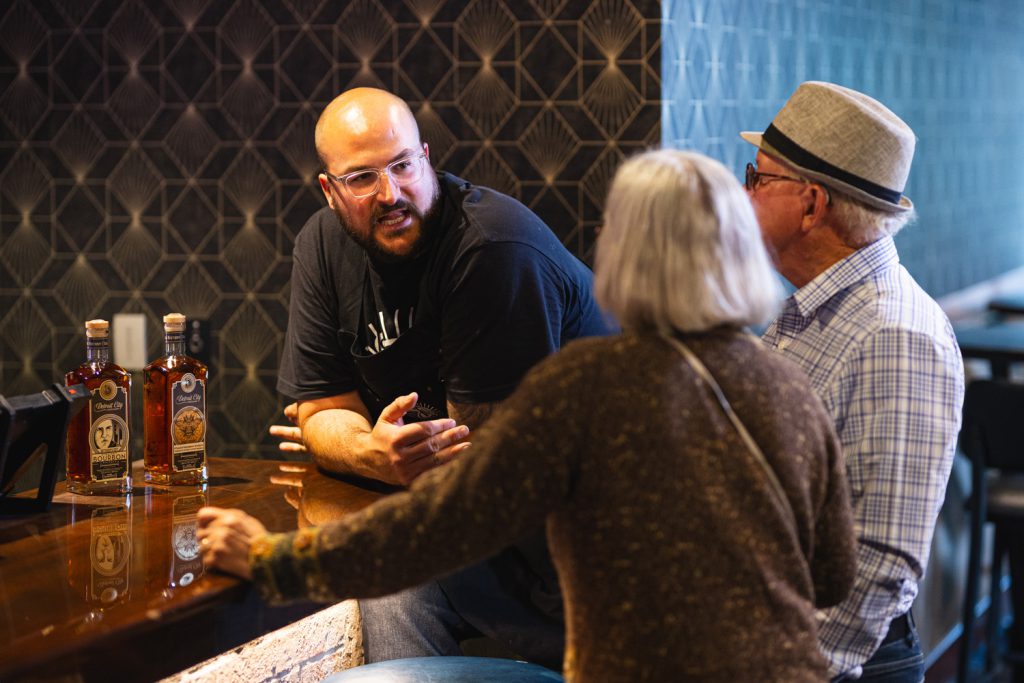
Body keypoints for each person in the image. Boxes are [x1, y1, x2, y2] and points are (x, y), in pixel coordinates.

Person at [200, 149, 858, 683]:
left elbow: (435, 527)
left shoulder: (584, 386)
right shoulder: (788, 387)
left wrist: (270, 559)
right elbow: (832, 574)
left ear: (624, 253)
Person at [269, 87, 612, 668]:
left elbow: (479, 467)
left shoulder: (492, 247)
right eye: (363, 178)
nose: (391, 193)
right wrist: (369, 451)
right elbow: (321, 410)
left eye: (403, 165)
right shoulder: (322, 247)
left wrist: (351, 444)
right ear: (330, 191)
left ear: (426, 157)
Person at [740, 81, 965, 681]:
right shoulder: (813, 308)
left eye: (757, 178)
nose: (744, 195)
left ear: (811, 205)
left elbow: (880, 562)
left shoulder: (897, 336)